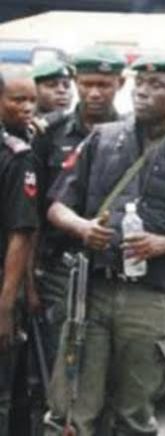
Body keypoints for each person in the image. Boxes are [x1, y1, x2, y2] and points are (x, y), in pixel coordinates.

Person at [43, 53, 165, 436]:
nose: (143, 92)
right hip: (92, 291)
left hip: (150, 297)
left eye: (156, 85)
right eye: (140, 84)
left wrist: (162, 245)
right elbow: (57, 206)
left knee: (135, 414)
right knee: (70, 409)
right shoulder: (102, 138)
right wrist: (83, 228)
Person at [31, 45, 126, 373]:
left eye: (104, 84)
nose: (95, 93)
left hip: (114, 270)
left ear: (120, 83)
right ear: (76, 82)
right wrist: (30, 279)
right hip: (60, 265)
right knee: (59, 363)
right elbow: (32, 211)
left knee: (108, 368)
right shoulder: (49, 133)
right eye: (87, 84)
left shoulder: (133, 133)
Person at [0, 71, 40, 436]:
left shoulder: (17, 155)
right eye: (18, 100)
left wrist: (6, 305)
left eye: (32, 100)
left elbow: (21, 233)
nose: (27, 108)